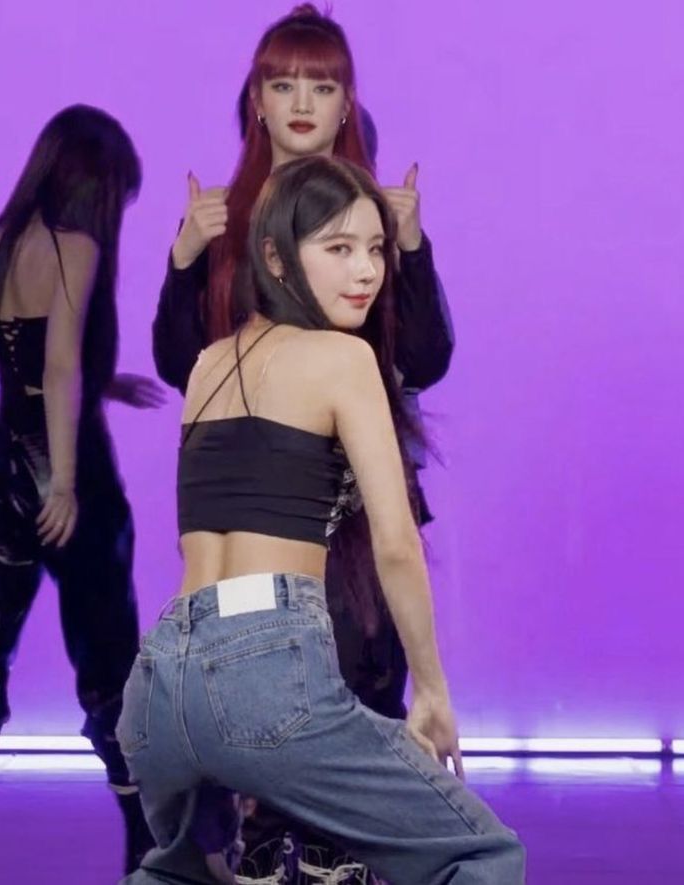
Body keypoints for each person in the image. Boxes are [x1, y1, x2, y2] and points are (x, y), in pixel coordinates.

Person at [117, 155, 525, 885]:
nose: (365, 271)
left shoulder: (209, 362)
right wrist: (431, 690)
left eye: (374, 249)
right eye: (338, 248)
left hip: (158, 684)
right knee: (481, 855)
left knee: (177, 875)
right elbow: (395, 544)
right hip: (263, 669)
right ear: (274, 257)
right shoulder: (343, 358)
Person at [150, 6, 454, 879]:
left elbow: (425, 358)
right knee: (267, 707)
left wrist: (410, 247)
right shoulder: (223, 220)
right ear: (255, 100)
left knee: (361, 695)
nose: (300, 103)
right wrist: (182, 259)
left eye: (320, 87)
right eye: (281, 84)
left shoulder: (370, 220)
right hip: (269, 501)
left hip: (358, 491)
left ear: (347, 101)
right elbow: (184, 364)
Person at [0, 104, 162, 883]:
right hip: (72, 476)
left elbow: (29, 368)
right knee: (109, 661)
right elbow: (58, 364)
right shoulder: (78, 246)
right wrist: (62, 481)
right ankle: (147, 845)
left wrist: (108, 383)